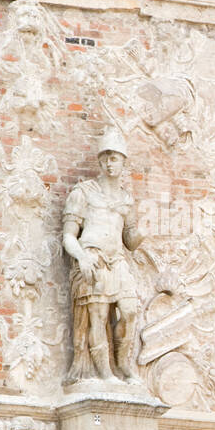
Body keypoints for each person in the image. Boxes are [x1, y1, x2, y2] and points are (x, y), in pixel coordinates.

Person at [62, 128, 143, 385]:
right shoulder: (83, 193)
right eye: (106, 157)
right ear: (99, 161)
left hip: (117, 260)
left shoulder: (126, 199)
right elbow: (68, 236)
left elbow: (130, 241)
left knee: (129, 310)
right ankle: (105, 372)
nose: (110, 163)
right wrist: (82, 258)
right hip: (92, 257)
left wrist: (142, 232)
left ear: (123, 163)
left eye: (115, 158)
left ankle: (122, 364)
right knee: (97, 314)